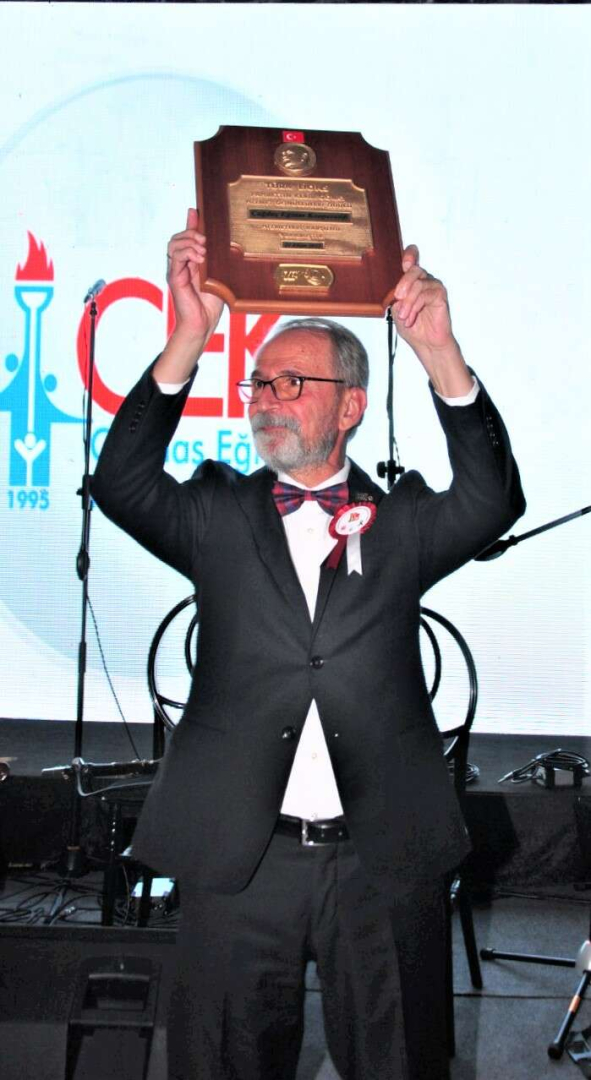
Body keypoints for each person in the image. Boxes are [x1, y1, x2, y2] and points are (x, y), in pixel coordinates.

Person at [91, 208, 525, 1080]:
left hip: (382, 859)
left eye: (292, 383)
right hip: (238, 858)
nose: (266, 399)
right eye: (258, 383)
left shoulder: (402, 522)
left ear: (351, 405)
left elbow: (492, 500)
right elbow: (122, 482)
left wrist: (440, 353)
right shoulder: (215, 513)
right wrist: (188, 334)